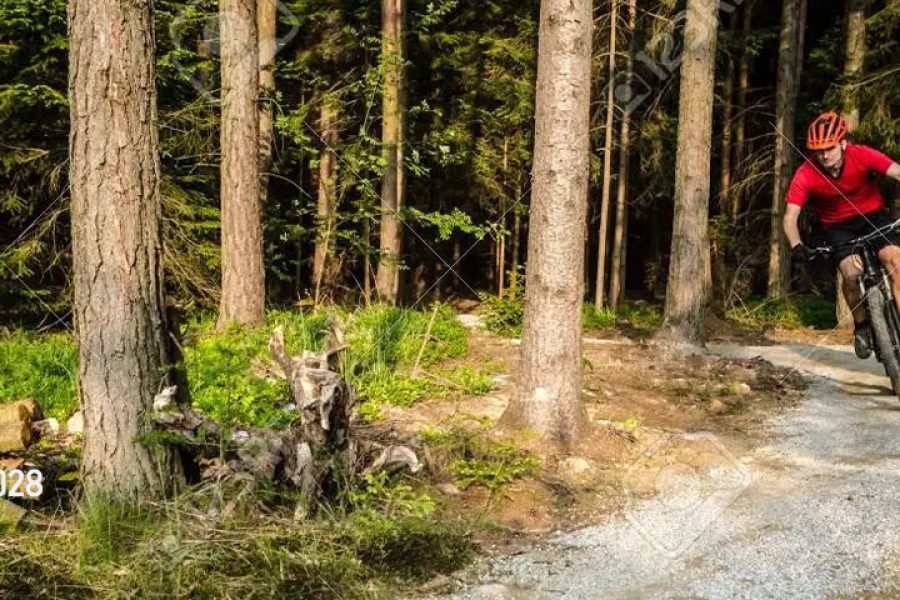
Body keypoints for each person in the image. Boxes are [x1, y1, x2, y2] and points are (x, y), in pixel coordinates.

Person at [783, 111, 900, 358]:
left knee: (894, 260)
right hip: (837, 227)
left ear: (843, 143)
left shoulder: (862, 154)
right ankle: (861, 325)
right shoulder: (806, 172)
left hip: (873, 216)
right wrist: (796, 245)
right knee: (850, 273)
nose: (824, 155)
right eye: (819, 150)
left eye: (830, 148)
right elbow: (790, 216)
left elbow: (895, 171)